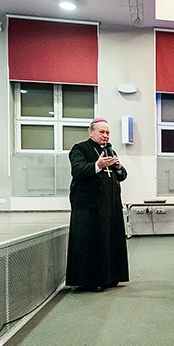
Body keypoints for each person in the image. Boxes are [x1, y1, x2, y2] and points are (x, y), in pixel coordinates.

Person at [66, 117, 129, 292]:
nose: (105, 136)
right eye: (101, 132)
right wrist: (97, 165)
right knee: (93, 244)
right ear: (91, 132)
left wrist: (118, 167)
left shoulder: (110, 150)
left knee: (110, 241)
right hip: (89, 207)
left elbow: (121, 176)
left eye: (107, 132)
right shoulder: (80, 149)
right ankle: (92, 280)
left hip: (110, 207)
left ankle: (111, 276)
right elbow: (77, 171)